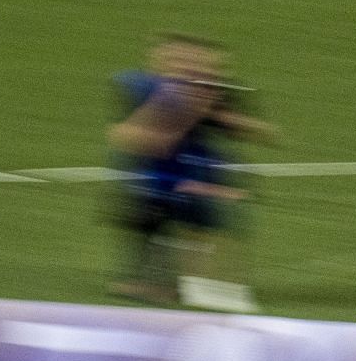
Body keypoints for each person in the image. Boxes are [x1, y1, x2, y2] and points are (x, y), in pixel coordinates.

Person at [108, 34, 276, 312]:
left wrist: (224, 117)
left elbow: (261, 131)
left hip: (193, 171)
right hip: (160, 174)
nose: (193, 70)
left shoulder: (217, 93)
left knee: (197, 225)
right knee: (150, 219)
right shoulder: (150, 90)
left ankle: (190, 284)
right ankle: (157, 283)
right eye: (176, 60)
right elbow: (132, 137)